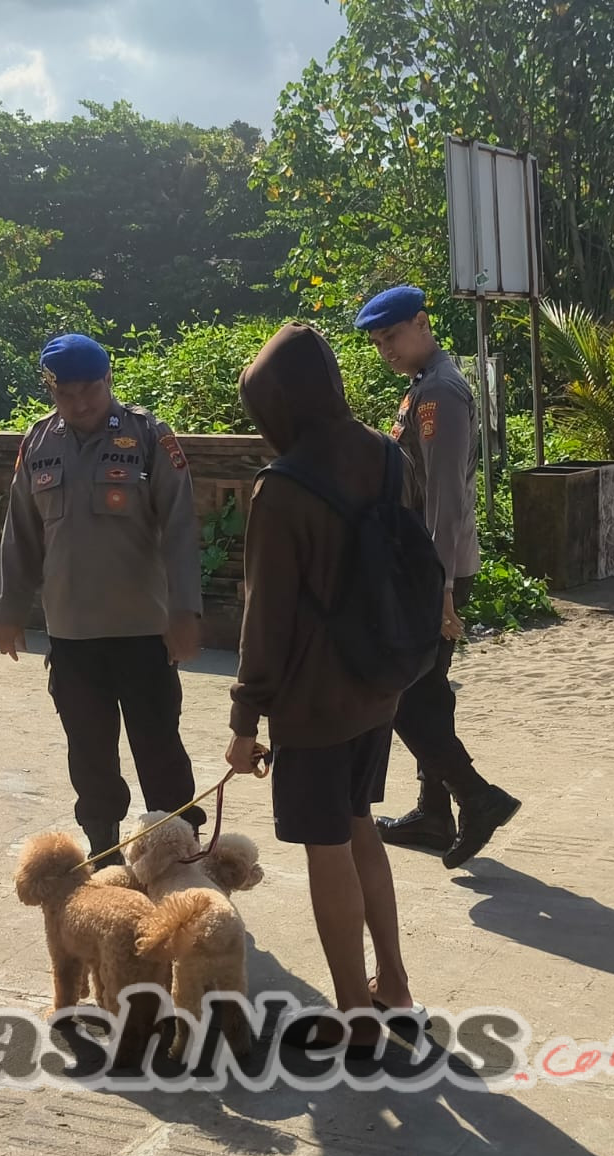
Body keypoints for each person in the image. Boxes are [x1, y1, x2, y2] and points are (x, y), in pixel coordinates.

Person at [225, 322, 419, 1052]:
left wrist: (246, 722)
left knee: (326, 845)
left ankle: (355, 1016)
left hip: (314, 702)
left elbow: (264, 617)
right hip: (380, 684)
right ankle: (392, 983)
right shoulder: (386, 454)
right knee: (361, 824)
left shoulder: (282, 489)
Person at [0, 334, 205, 869]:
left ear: (109, 381)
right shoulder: (39, 442)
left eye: (91, 390)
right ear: (52, 389)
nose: (81, 404)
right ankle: (105, 853)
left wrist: (185, 612)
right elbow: (20, 531)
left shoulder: (149, 436)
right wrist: (8, 607)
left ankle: (181, 857)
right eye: (67, 393)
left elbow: (181, 527)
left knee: (159, 749)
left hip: (143, 631)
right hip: (72, 633)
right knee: (89, 754)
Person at [353, 285, 522, 870]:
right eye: (378, 343)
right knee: (427, 693)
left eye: (391, 337)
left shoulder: (442, 394)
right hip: (424, 567)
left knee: (403, 695)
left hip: (434, 571)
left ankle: (476, 797)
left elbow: (447, 501)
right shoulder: (425, 386)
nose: (386, 350)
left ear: (422, 323)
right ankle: (433, 813)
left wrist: (444, 589)